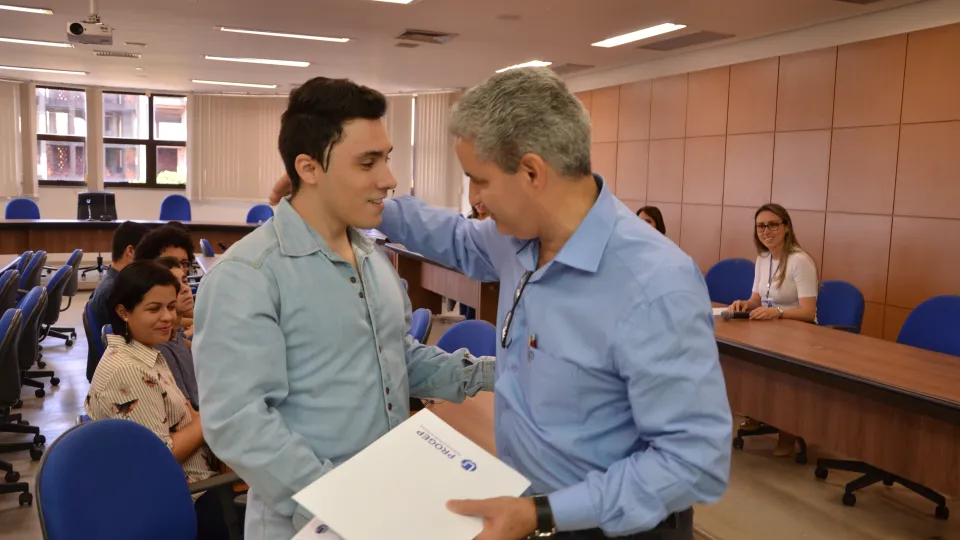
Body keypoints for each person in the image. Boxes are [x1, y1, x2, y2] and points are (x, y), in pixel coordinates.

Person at [270, 67, 731, 540]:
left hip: (605, 524)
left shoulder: (653, 284)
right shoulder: (518, 240)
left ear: (532, 172)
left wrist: (548, 513)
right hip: (524, 505)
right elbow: (453, 236)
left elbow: (695, 461)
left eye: (479, 181)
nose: (476, 201)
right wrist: (347, 194)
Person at [194, 76, 496, 540]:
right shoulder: (248, 276)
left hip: (382, 505)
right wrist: (345, 505)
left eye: (387, 158)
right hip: (313, 524)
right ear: (309, 167)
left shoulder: (372, 258)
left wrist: (494, 374)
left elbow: (399, 356)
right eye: (367, 162)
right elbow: (239, 424)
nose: (389, 179)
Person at [84, 260, 228, 540]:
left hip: (195, 480)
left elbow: (186, 412)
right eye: (154, 309)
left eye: (171, 307)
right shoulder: (127, 370)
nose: (168, 318)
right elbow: (161, 455)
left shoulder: (147, 352)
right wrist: (214, 417)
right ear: (123, 311)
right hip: (184, 497)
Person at [728, 203, 818, 457]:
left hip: (799, 332)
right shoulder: (763, 259)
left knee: (782, 375)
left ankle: (787, 432)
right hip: (770, 329)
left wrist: (776, 312)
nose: (766, 231)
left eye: (772, 225)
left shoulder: (800, 261)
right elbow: (757, 298)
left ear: (786, 228)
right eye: (760, 226)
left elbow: (808, 312)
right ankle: (760, 413)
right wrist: (746, 304)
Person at [154, 256, 199, 409]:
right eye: (176, 285)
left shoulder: (176, 335)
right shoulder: (163, 348)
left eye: (185, 281)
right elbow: (188, 411)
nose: (186, 289)